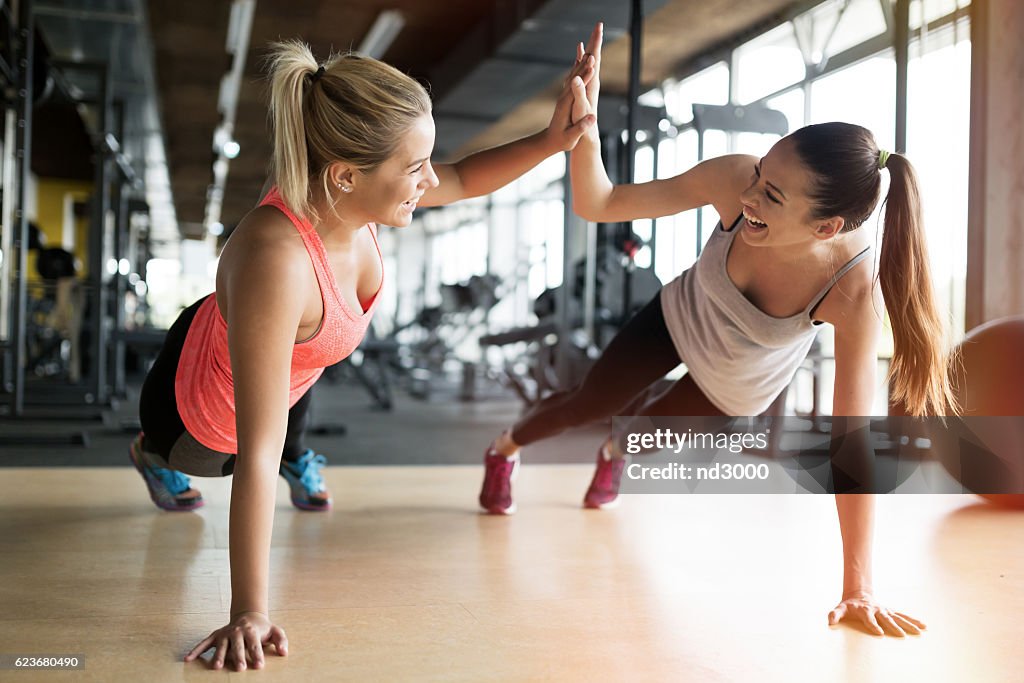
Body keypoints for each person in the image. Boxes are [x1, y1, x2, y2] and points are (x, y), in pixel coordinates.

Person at [127, 39, 596, 670]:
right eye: (416, 167)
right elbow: (256, 453)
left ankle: (273, 434)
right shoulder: (278, 260)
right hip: (194, 408)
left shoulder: (356, 197)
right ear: (346, 173)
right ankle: (150, 455)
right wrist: (248, 609)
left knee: (286, 412)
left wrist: (551, 140)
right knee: (229, 462)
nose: (430, 179)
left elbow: (459, 178)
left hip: (289, 361)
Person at [478, 24, 951, 638]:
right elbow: (600, 203)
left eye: (771, 195)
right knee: (587, 404)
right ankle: (504, 449)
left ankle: (615, 452)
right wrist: (584, 131)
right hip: (680, 318)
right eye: (760, 174)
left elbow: (850, 443)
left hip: (737, 382)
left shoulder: (854, 295)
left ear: (826, 228)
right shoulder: (735, 181)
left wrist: (857, 587)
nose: (750, 194)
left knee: (636, 437)